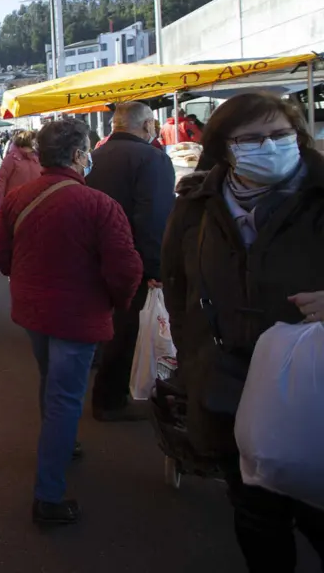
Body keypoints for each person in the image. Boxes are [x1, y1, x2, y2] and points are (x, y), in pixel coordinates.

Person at [161, 93, 324, 571]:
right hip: (228, 383)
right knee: (256, 515)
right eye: (252, 138)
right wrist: (194, 363)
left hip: (313, 387)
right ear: (226, 146)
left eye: (280, 135)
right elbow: (178, 284)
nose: (269, 146)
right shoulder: (195, 205)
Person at [0, 119, 142, 526]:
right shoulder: (99, 205)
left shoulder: (18, 198)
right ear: (78, 155)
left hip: (33, 311)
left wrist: (23, 278)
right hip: (78, 315)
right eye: (87, 149)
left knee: (51, 383)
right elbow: (126, 269)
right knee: (64, 396)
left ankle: (62, 444)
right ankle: (48, 496)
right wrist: (117, 301)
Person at [85, 102, 175, 421]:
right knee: (125, 331)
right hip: (131, 259)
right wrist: (155, 267)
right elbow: (153, 217)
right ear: (148, 125)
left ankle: (101, 389)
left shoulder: (92, 157)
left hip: (92, 255)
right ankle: (109, 399)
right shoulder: (153, 159)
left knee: (101, 324)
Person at [0, 130, 42, 203]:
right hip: (15, 203)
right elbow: (1, 182)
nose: (37, 143)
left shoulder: (36, 158)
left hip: (35, 202)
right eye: (34, 140)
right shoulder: (11, 158)